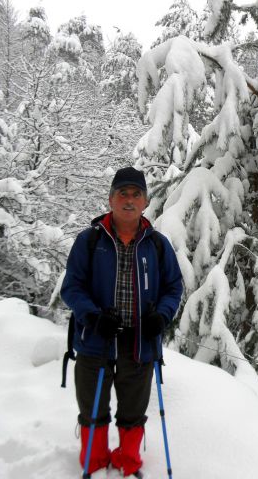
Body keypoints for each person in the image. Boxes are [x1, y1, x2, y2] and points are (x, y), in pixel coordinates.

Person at [61, 166, 183, 477]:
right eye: (122, 193)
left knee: (133, 411)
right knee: (92, 410)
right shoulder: (89, 241)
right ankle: (94, 461)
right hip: (95, 339)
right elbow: (72, 286)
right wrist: (93, 316)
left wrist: (162, 315)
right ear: (111, 199)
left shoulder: (157, 244)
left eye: (136, 194)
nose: (129, 200)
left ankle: (128, 462)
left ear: (145, 202)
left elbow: (173, 287)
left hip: (139, 344)